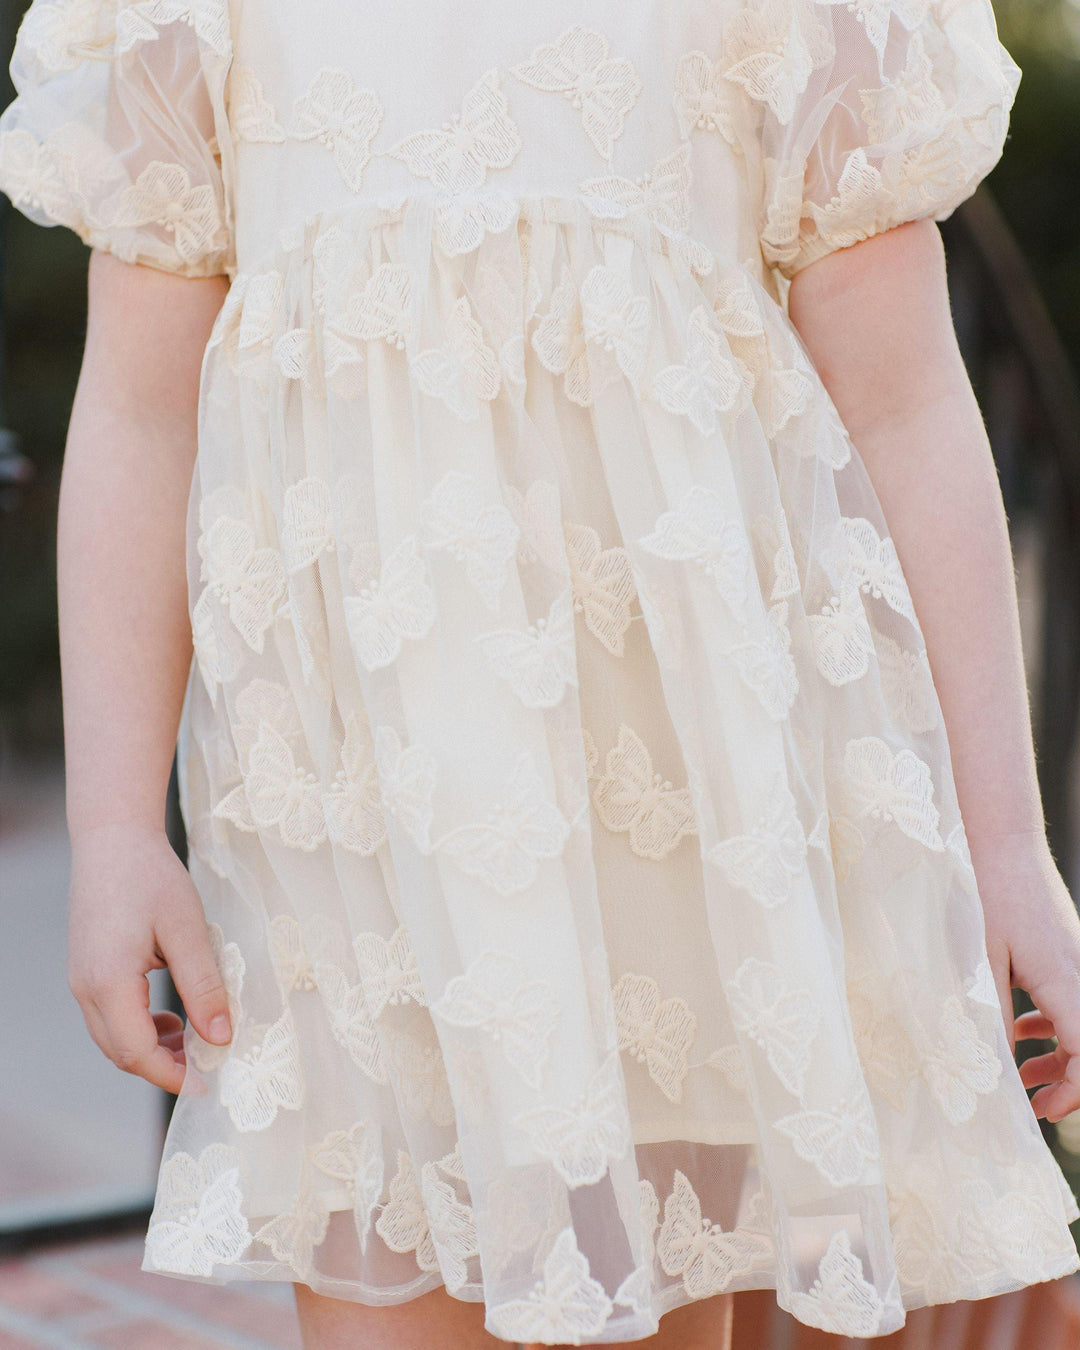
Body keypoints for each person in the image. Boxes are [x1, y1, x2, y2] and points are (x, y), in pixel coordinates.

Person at [3, 1, 1080, 1347]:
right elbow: (140, 405)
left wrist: (1009, 843)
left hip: (687, 833)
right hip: (358, 835)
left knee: (673, 1303)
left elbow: (910, 395)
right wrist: (112, 830)